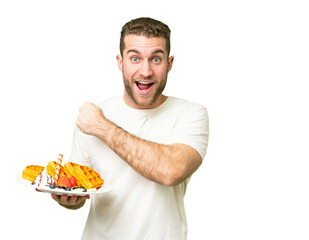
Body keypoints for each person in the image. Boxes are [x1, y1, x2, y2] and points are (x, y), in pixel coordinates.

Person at [51, 17, 209, 240]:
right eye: (135, 58)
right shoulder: (95, 117)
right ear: (120, 62)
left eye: (156, 59)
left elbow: (170, 171)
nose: (145, 71)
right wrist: (69, 199)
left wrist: (103, 128)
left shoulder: (190, 114)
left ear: (170, 64)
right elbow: (78, 192)